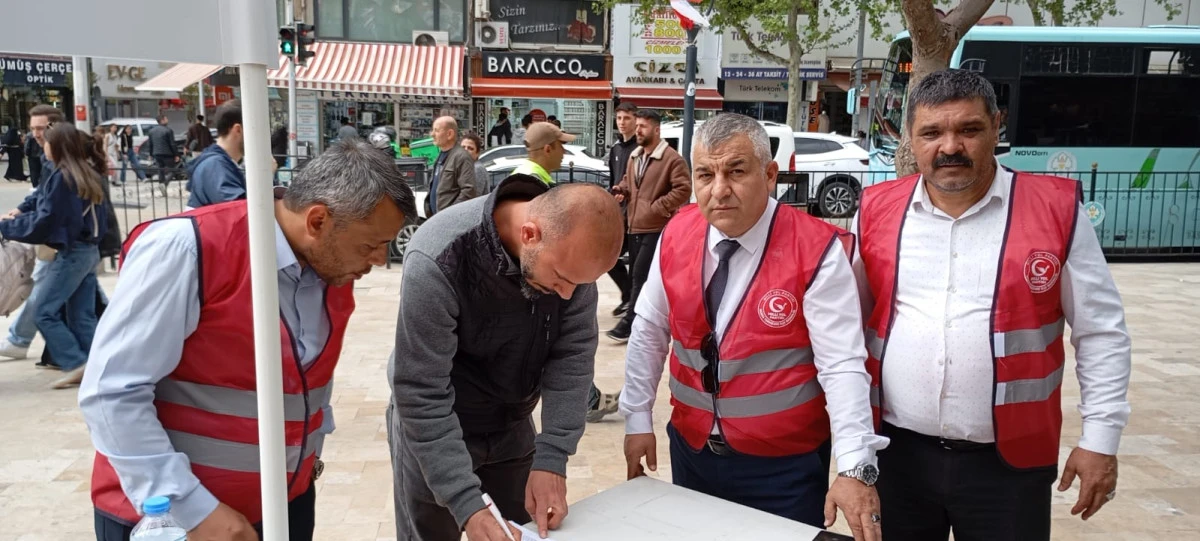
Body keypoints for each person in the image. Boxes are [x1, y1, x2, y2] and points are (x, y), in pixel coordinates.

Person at [80, 139, 417, 541]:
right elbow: (111, 392)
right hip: (172, 521)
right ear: (317, 221)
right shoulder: (187, 248)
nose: (379, 260)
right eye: (371, 244)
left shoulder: (330, 269)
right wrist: (193, 509)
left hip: (281, 507)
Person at [852, 69, 1131, 541]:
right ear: (910, 139)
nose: (950, 146)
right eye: (932, 133)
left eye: (969, 129)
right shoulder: (876, 209)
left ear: (996, 127)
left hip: (1009, 465)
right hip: (896, 456)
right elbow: (846, 328)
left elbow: (1100, 331)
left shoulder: (1054, 209)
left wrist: (1100, 440)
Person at [619, 113, 885, 539]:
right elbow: (650, 329)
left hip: (783, 469)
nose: (719, 190)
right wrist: (636, 420)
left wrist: (854, 464)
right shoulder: (677, 233)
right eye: (705, 174)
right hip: (692, 453)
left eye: (736, 171)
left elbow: (842, 364)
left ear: (771, 174)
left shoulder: (816, 249)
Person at [389, 175, 624, 541]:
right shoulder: (439, 256)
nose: (567, 295)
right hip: (438, 429)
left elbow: (573, 357)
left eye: (580, 284)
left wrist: (552, 456)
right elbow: (421, 391)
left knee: (523, 531)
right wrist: (466, 504)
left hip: (511, 425)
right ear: (530, 234)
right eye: (561, 279)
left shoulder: (571, 261)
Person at [0, 122, 109, 389]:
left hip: (72, 253)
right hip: (88, 250)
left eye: (46, 141)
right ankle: (103, 366)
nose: (42, 145)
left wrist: (7, 226)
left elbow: (45, 221)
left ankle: (76, 363)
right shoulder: (85, 172)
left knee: (43, 312)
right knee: (81, 316)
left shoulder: (63, 177)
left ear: (56, 146)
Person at [606, 109, 691, 343]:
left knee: (640, 275)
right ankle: (648, 315)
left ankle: (629, 322)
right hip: (634, 225)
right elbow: (628, 181)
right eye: (638, 126)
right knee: (637, 274)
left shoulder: (672, 158)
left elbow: (683, 189)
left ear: (656, 129)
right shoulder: (636, 156)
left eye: (643, 126)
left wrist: (658, 208)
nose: (638, 130)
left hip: (656, 227)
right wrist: (622, 190)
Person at [0, 104, 66, 362]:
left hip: (66, 242)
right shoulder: (49, 158)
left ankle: (21, 340)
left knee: (45, 292)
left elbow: (49, 211)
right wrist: (19, 210)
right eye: (33, 129)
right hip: (66, 241)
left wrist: (10, 226)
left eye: (41, 128)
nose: (36, 134)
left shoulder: (64, 163)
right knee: (82, 301)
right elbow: (40, 194)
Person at [604, 102, 638, 318]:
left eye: (627, 118)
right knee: (609, 258)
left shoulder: (640, 149)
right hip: (617, 214)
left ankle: (632, 303)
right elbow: (613, 179)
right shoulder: (616, 149)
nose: (622, 123)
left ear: (636, 120)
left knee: (635, 263)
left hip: (635, 215)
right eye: (619, 118)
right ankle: (627, 295)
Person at [186, 99, 246, 209]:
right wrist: (266, 176)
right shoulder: (215, 166)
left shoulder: (218, 162)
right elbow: (241, 213)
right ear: (238, 130)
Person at [429, 117, 478, 214]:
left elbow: (468, 191)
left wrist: (450, 214)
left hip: (449, 221)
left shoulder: (462, 157)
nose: (432, 134)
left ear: (450, 134)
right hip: (436, 219)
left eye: (437, 131)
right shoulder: (441, 155)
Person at [513, 122, 572, 187]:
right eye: (560, 146)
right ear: (547, 150)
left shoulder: (533, 178)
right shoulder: (529, 182)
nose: (564, 151)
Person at [145, 115, 180, 185]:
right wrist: (176, 154)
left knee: (160, 170)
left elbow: (150, 144)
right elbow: (172, 144)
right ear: (162, 120)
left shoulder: (151, 131)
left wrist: (150, 154)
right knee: (173, 170)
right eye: (166, 118)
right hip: (167, 153)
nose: (168, 120)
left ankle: (161, 183)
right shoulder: (168, 130)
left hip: (156, 153)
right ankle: (165, 183)